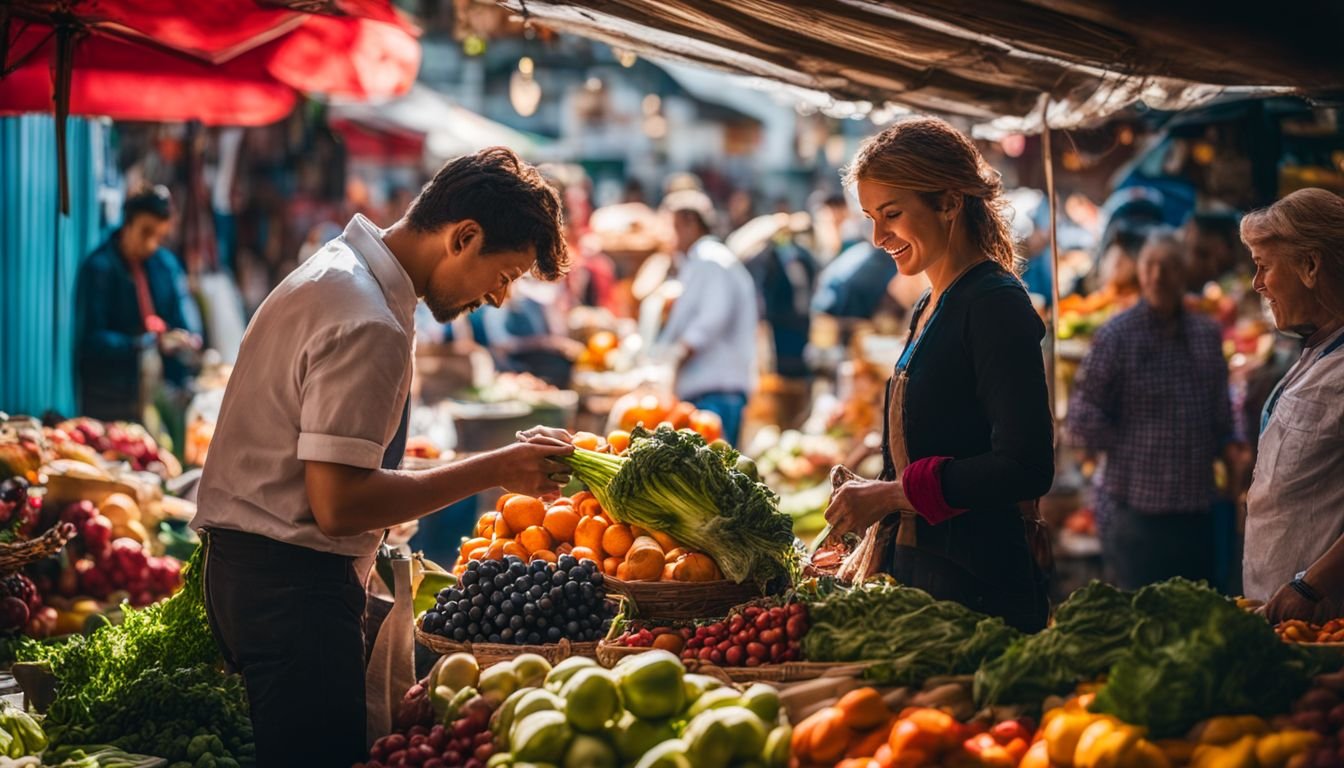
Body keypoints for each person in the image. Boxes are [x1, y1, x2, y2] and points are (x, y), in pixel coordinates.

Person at [194, 148, 576, 767]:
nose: (500, 299)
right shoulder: (369, 319)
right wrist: (495, 468)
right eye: (503, 275)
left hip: (259, 577)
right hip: (291, 590)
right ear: (465, 237)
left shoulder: (342, 274)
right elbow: (339, 505)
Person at [822, 117, 1054, 632]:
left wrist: (888, 494)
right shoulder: (930, 304)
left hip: (978, 597)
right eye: (870, 217)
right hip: (927, 586)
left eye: (892, 215)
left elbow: (1026, 466)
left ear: (949, 203)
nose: (879, 236)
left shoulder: (994, 304)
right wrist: (876, 486)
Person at [1067, 229, 1244, 589]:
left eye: (1169, 266)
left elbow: (1221, 415)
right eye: (1150, 266)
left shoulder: (1206, 335)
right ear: (1139, 272)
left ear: (1185, 273)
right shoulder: (1117, 335)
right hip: (1135, 513)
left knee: (1197, 622)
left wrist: (1233, 450)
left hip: (1196, 511)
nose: (1158, 276)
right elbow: (1081, 418)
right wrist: (1132, 439)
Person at [1240, 188, 1344, 623]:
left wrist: (1310, 584)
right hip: (1281, 613)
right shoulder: (1316, 349)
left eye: (1264, 266)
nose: (1256, 283)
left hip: (1321, 621)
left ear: (1310, 265)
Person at [75, 185, 203, 423]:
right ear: (128, 223)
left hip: (157, 396)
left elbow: (183, 313)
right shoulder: (99, 268)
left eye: (160, 237)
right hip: (108, 399)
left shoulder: (164, 265)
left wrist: (187, 338)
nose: (152, 244)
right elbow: (92, 340)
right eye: (146, 232)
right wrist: (141, 344)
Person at [654, 189, 759, 446]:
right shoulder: (700, 261)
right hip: (709, 392)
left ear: (690, 222)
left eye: (673, 226)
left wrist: (676, 356)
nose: (669, 236)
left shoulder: (710, 260)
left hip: (716, 393)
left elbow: (711, 319)